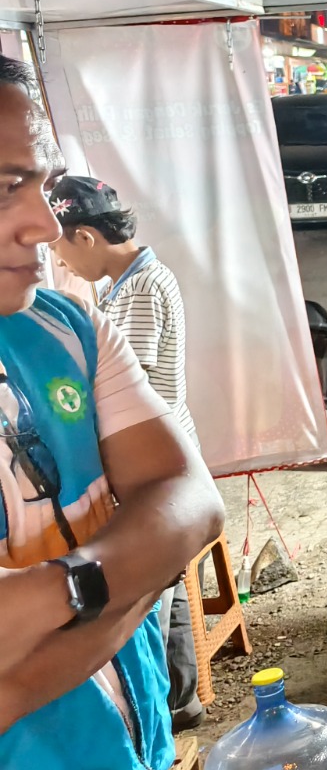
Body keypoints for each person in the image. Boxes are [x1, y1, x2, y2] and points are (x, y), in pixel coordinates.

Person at [0, 55, 225, 770]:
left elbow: (188, 499)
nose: (42, 226)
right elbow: (158, 528)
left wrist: (68, 594)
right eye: (4, 188)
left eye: (41, 184)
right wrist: (134, 574)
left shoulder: (60, 325)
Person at [49, 174, 205, 730]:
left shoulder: (138, 289)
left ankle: (156, 707)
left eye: (59, 249)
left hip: (158, 455)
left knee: (151, 593)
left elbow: (125, 391)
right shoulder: (131, 281)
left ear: (86, 237)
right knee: (170, 583)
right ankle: (180, 699)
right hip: (171, 448)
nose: (62, 264)